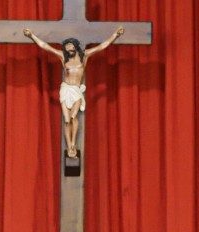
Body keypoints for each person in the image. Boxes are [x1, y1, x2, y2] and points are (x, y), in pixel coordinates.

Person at [23, 27, 124, 158]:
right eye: (66, 47)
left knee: (73, 116)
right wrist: (32, 36)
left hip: (76, 91)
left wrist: (115, 35)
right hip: (66, 89)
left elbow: (102, 46)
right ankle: (69, 143)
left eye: (70, 46)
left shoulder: (84, 56)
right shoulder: (63, 58)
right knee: (66, 120)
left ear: (75, 46)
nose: (67, 48)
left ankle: (73, 145)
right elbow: (45, 46)